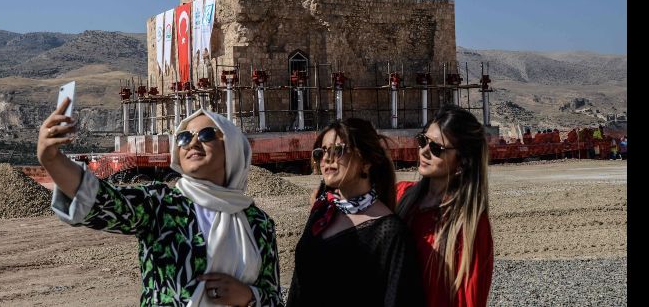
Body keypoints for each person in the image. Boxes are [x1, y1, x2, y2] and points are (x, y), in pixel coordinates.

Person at [38, 99, 282, 306]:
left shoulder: (258, 223)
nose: (192, 143)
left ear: (233, 148)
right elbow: (104, 202)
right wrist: (52, 160)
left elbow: (273, 297)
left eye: (206, 135)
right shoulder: (162, 205)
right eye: (184, 137)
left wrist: (249, 296)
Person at [286, 118, 424, 306]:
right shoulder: (321, 213)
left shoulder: (390, 233)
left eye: (338, 150)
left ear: (366, 161)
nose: (327, 159)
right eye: (322, 152)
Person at [396, 104, 494, 307]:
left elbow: (470, 300)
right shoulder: (401, 195)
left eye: (436, 148)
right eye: (423, 140)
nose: (423, 151)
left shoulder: (467, 224)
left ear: (462, 162)